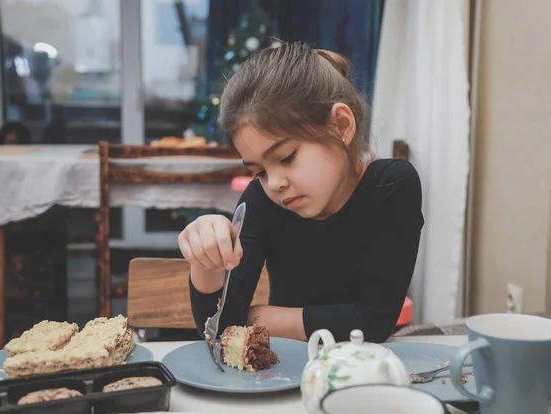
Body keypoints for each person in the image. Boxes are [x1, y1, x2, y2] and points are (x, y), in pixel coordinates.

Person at [178, 42, 424, 343]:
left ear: (341, 125)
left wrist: (252, 318)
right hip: (282, 373)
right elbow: (217, 330)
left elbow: (372, 324)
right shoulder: (261, 200)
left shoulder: (391, 185)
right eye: (260, 171)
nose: (275, 183)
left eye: (286, 157)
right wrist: (206, 262)